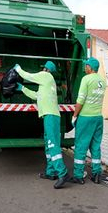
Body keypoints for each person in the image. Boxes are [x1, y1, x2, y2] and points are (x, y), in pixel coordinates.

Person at [14, 61, 70, 189]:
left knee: (52, 145)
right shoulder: (47, 84)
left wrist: (19, 70)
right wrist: (22, 88)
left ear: (46, 69)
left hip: (50, 116)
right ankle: (51, 172)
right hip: (50, 116)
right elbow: (36, 96)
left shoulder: (46, 76)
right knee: (48, 144)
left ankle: (63, 173)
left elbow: (30, 76)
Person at [71, 57, 106, 184]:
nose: (85, 68)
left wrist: (75, 115)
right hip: (98, 118)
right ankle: (97, 174)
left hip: (85, 118)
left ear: (90, 68)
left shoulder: (86, 79)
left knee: (81, 146)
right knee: (95, 146)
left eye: (86, 66)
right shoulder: (103, 80)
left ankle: (78, 175)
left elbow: (80, 100)